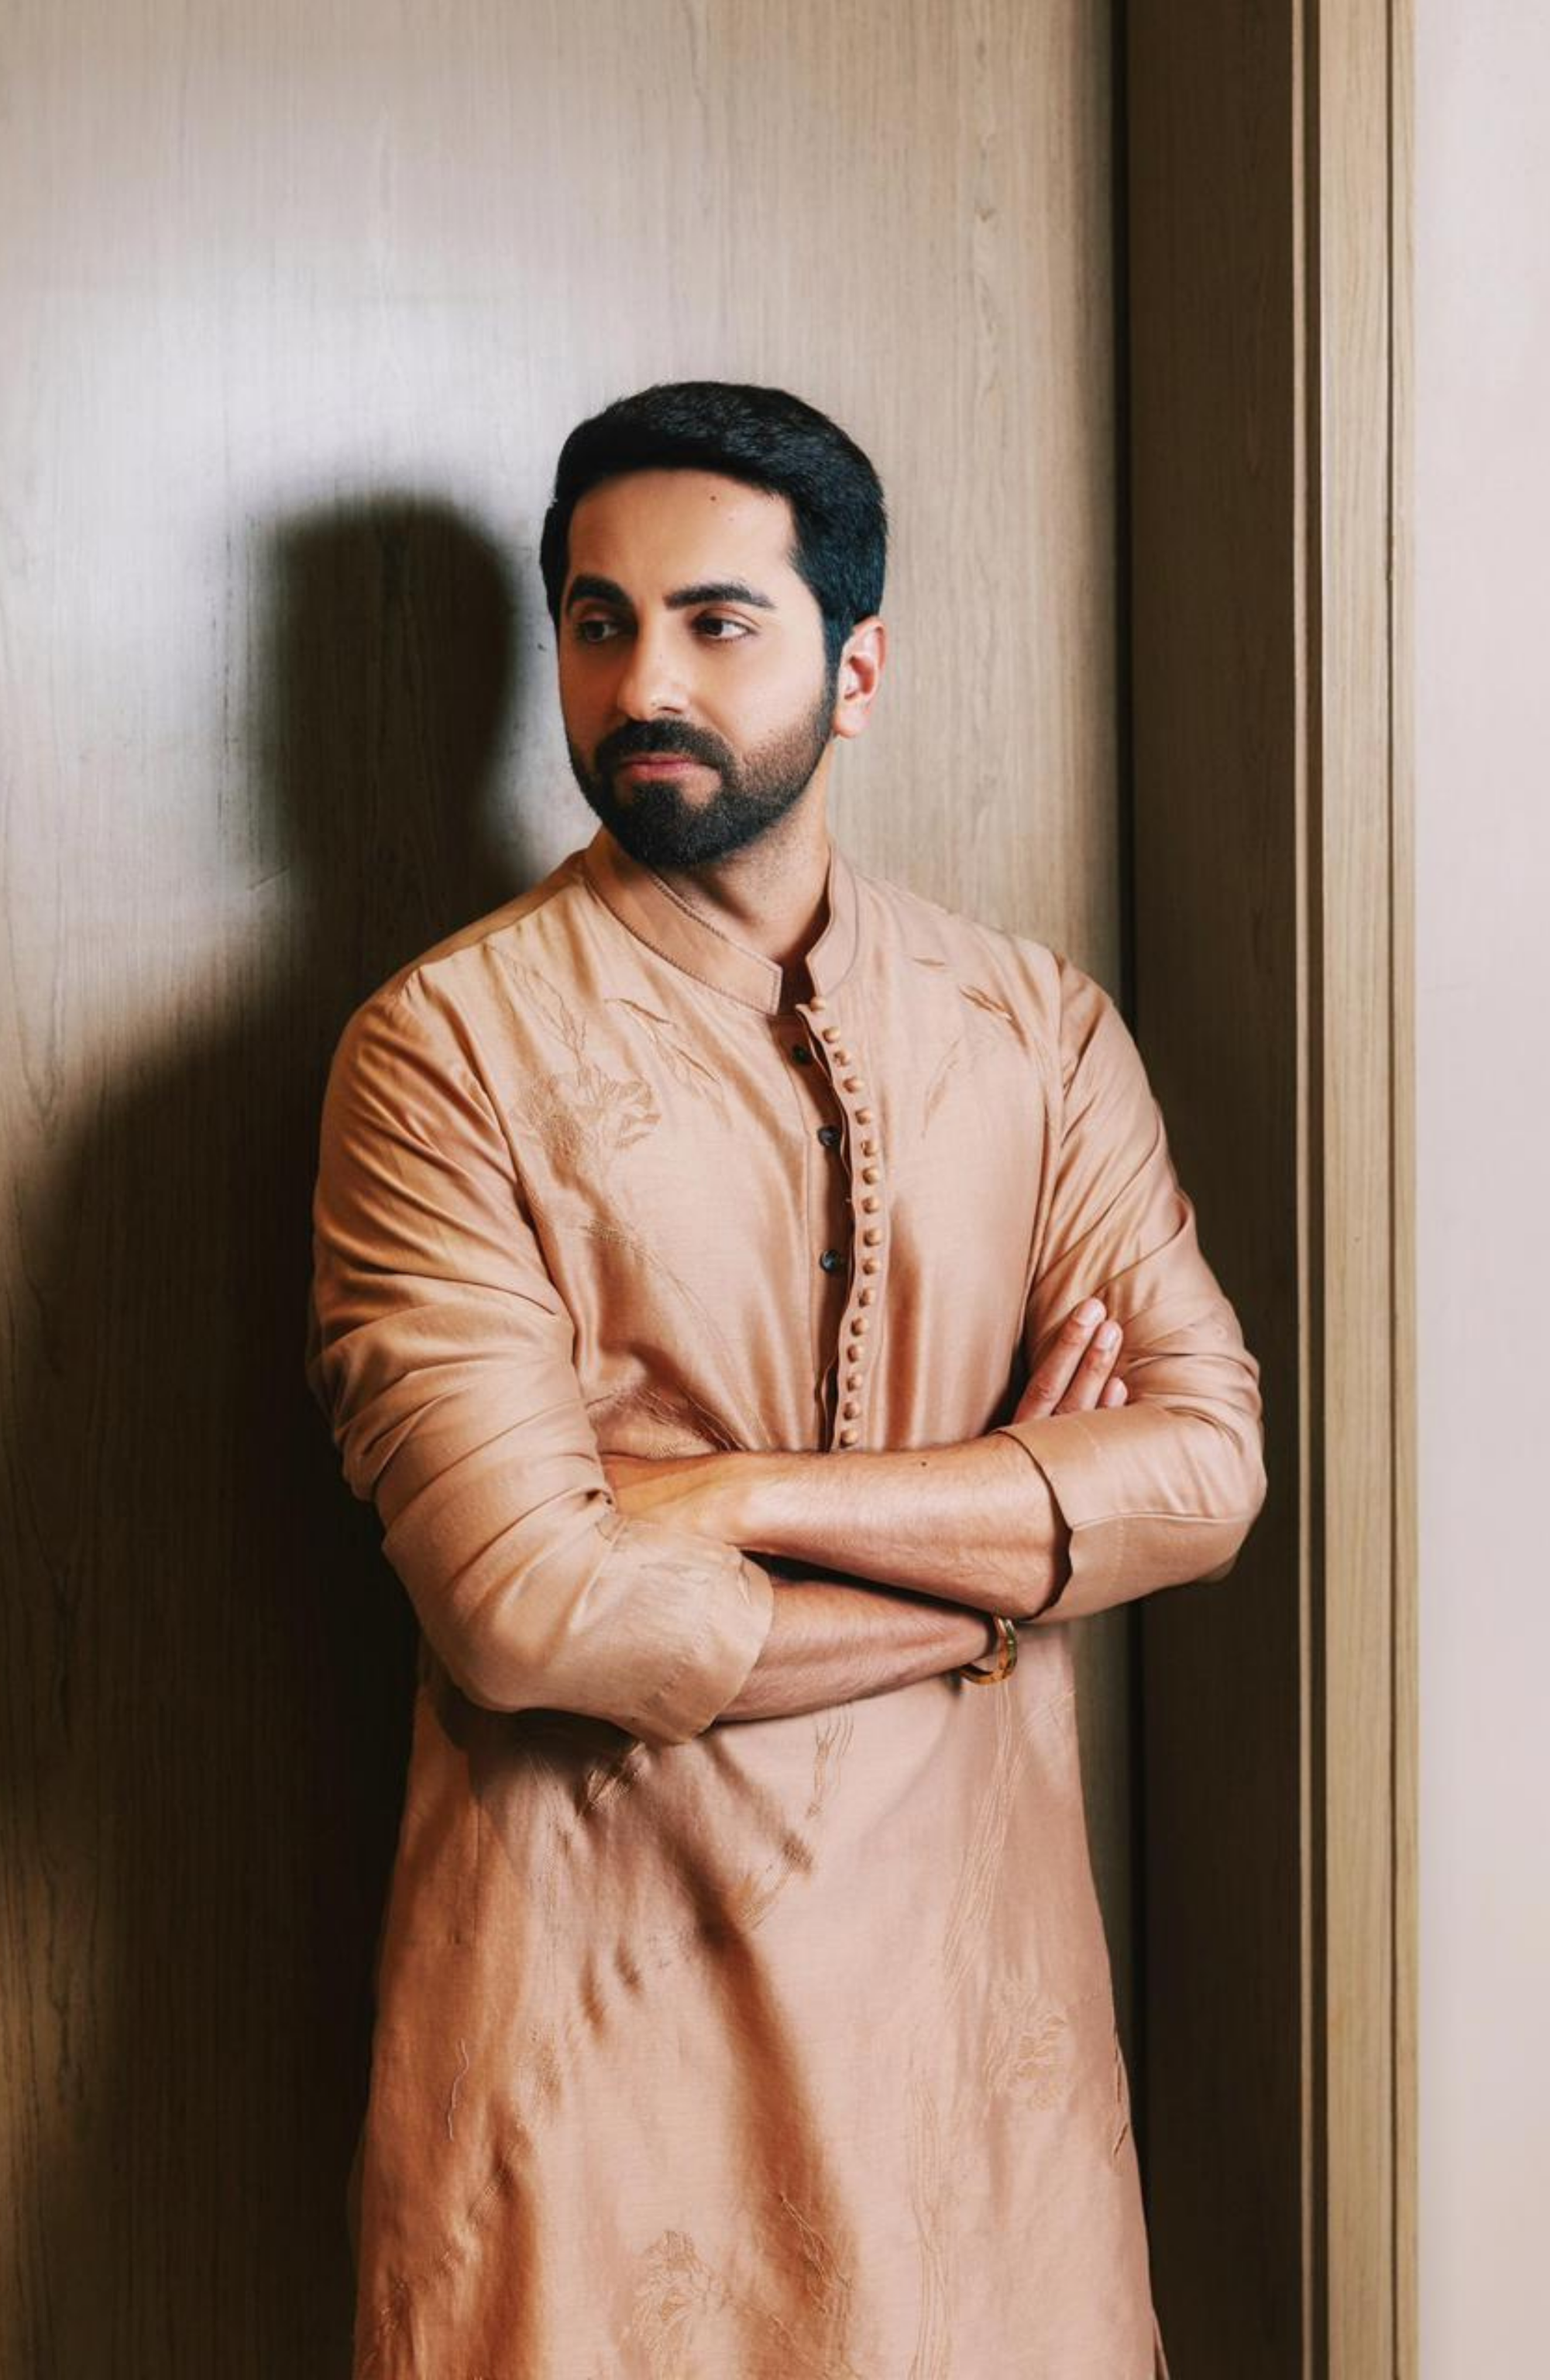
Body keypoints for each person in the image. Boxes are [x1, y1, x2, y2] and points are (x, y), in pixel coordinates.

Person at [308, 380, 1266, 2379]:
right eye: (598, 622)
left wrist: (735, 1499)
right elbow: (527, 1608)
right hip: (596, 2074)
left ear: (858, 669)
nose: (642, 682)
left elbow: (1203, 1467)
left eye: (716, 622)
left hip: (988, 2080)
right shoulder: (443, 1056)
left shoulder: (1033, 1030)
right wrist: (1010, 1558)